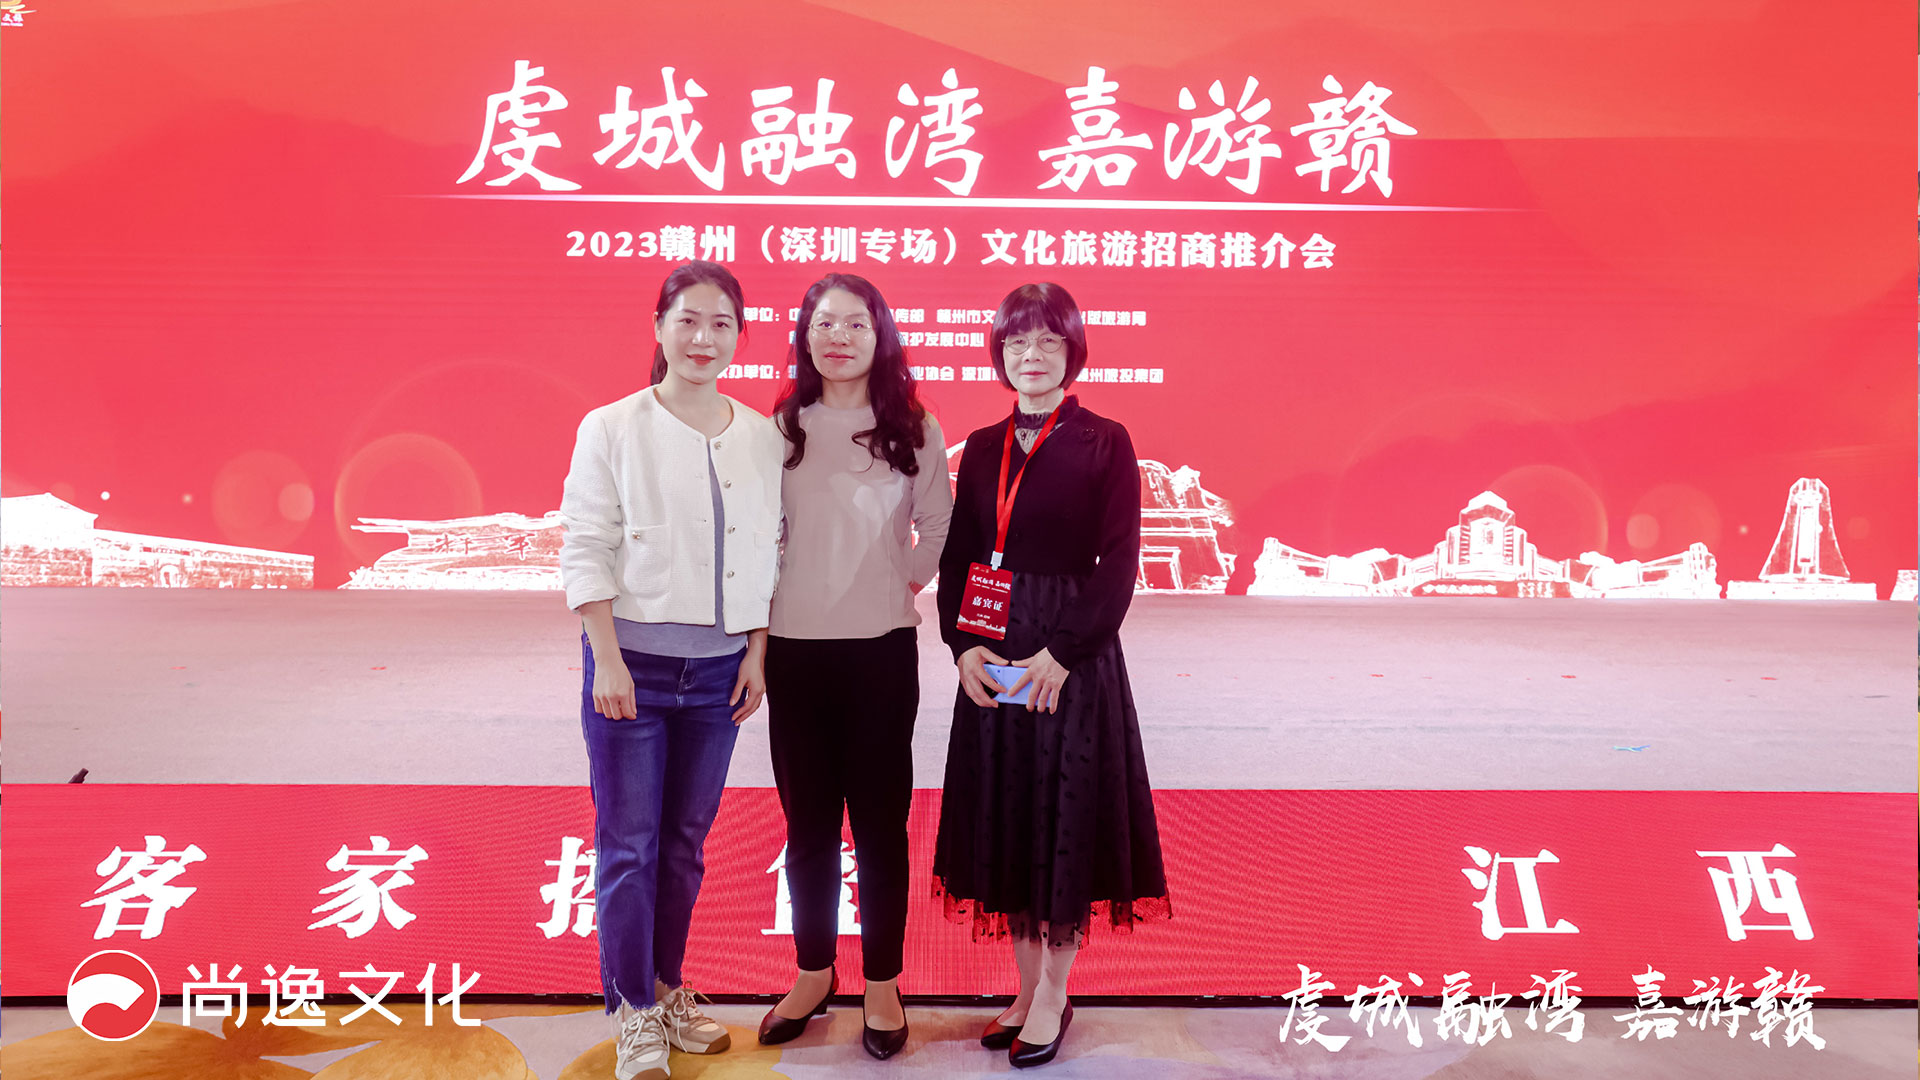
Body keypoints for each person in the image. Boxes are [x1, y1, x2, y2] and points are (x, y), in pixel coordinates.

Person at [932, 282, 1171, 1068]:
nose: (1030, 355)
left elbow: (1120, 562)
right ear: (999, 353)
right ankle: (1026, 988)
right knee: (1009, 817)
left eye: (1047, 341)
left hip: (1069, 661)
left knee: (1062, 820)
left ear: (1072, 352)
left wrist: (1063, 654)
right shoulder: (981, 447)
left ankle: (1053, 995)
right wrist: (962, 646)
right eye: (1016, 342)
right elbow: (963, 556)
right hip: (996, 654)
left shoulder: (1106, 441)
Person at [559, 260, 784, 1080]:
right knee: (629, 845)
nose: (703, 337)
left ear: (739, 337)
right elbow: (585, 542)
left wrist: (757, 650)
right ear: (659, 327)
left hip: (719, 675)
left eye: (722, 323)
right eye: (687, 319)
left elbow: (767, 549)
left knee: (685, 845)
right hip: (634, 671)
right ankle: (631, 1012)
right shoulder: (611, 426)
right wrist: (606, 658)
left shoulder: (759, 435)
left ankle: (664, 989)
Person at [758, 273, 951, 1060]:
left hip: (880, 653)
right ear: (805, 337)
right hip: (794, 652)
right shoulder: (781, 426)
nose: (838, 337)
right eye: (824, 324)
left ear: (882, 336)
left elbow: (938, 521)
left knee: (878, 826)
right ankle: (813, 973)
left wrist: (902, 581)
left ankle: (881, 982)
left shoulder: (913, 426)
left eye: (856, 325)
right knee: (806, 826)